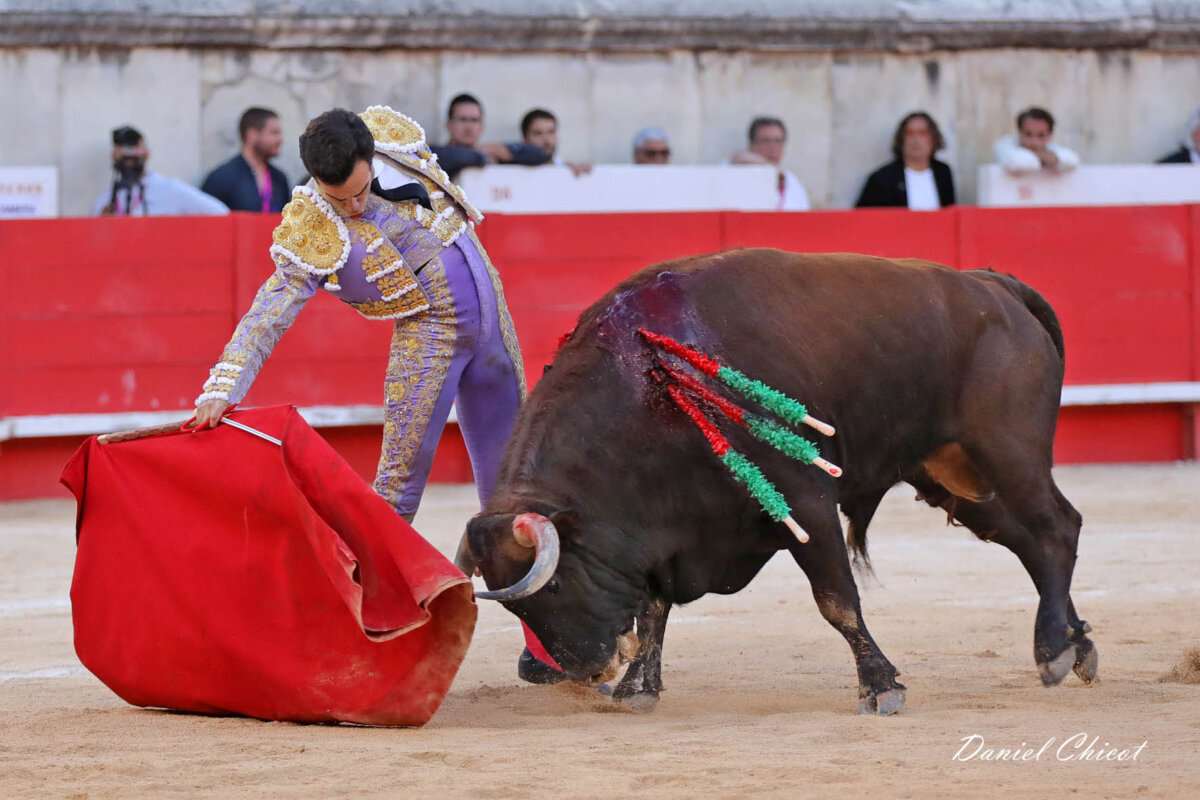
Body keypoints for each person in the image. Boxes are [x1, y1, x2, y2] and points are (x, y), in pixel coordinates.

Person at [190, 106, 526, 523]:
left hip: (491, 306)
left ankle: (516, 561)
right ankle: (372, 568)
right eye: (339, 198)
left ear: (370, 157)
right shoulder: (312, 221)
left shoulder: (391, 139)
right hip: (431, 330)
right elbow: (268, 313)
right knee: (397, 488)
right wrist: (222, 388)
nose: (352, 206)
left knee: (513, 475)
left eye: (361, 191)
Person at [92, 126, 229, 216]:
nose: (128, 153)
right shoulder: (106, 200)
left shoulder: (170, 190)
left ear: (147, 153)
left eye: (134, 147)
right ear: (113, 156)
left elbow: (220, 212)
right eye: (122, 148)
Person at [429, 93, 550, 180]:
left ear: (482, 125)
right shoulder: (434, 156)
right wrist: (481, 156)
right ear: (448, 124)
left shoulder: (492, 154)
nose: (469, 127)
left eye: (474, 120)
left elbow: (539, 154)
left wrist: (502, 151)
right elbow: (454, 157)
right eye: (463, 119)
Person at [855, 111, 956, 209]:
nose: (916, 139)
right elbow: (863, 217)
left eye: (923, 133)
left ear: (933, 138)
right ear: (901, 139)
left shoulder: (943, 172)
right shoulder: (882, 179)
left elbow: (950, 213)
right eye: (910, 133)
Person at [201, 107, 290, 212]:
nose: (280, 140)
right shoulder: (221, 179)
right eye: (274, 133)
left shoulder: (279, 179)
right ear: (252, 135)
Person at [727, 116, 810, 210]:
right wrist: (768, 167)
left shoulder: (791, 180)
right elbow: (739, 158)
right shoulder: (735, 172)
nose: (772, 148)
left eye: (777, 141)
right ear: (751, 144)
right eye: (765, 141)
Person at [993, 107, 1080, 174]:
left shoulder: (1051, 148)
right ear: (1020, 132)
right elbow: (1019, 162)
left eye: (1041, 135)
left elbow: (1073, 160)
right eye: (1028, 134)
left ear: (1050, 135)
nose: (1034, 142)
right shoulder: (1005, 145)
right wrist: (1046, 158)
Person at [520, 108, 592, 176]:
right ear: (524, 139)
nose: (546, 140)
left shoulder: (568, 169)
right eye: (538, 133)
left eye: (551, 132)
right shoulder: (515, 170)